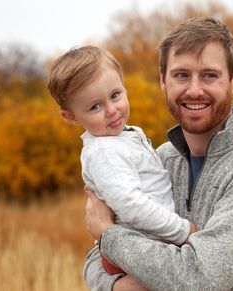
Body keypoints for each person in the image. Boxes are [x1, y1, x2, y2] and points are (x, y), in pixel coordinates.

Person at [83, 17, 233, 290]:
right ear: (163, 80)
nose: (194, 90)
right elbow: (93, 259)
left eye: (209, 75)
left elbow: (198, 278)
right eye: (182, 75)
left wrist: (107, 234)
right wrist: (117, 287)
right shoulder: (157, 159)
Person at [47, 45, 197, 275]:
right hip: (138, 251)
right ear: (71, 117)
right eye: (95, 106)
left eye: (115, 95)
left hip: (148, 245)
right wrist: (183, 231)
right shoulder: (104, 152)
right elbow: (131, 205)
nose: (111, 110)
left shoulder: (121, 137)